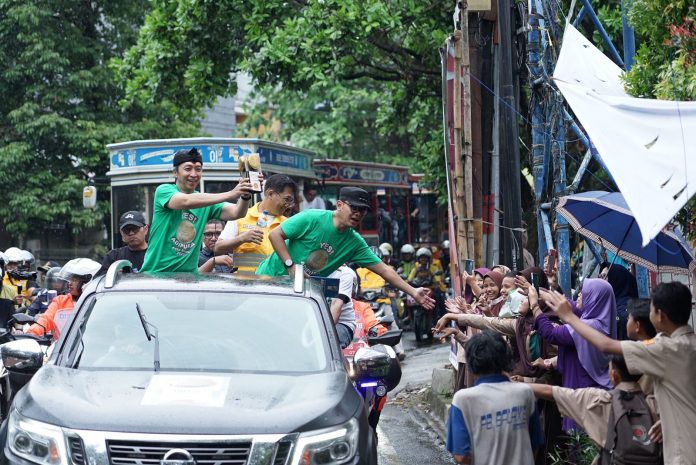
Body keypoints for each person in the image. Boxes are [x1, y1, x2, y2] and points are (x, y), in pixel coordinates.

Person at [542, 281, 696, 465]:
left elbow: (606, 345)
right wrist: (668, 419)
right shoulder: (689, 344)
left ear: (660, 315)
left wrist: (569, 317)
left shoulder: (666, 348)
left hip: (684, 453)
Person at [256, 187, 435, 310]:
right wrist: (291, 266)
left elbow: (385, 270)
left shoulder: (354, 243)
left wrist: (413, 291)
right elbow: (275, 235)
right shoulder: (311, 218)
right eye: (354, 207)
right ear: (339, 205)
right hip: (267, 279)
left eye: (363, 210)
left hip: (298, 293)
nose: (358, 213)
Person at [526, 355, 661, 465]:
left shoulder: (599, 400)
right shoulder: (657, 404)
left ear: (613, 375)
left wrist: (514, 385)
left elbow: (552, 392)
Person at [140, 148, 254, 273]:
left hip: (189, 280)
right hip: (156, 275)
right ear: (175, 172)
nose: (194, 174)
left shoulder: (205, 202)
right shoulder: (164, 190)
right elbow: (185, 201)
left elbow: (238, 212)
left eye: (198, 169)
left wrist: (245, 193)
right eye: (188, 169)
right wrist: (231, 194)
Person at [446, 331, 543, 465]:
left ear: (472, 362)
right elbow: (535, 443)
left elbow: (461, 456)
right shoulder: (525, 392)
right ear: (506, 358)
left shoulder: (462, 400)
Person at [532, 278, 617, 431]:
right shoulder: (600, 319)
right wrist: (541, 293)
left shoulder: (588, 326)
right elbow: (569, 306)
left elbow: (551, 333)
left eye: (583, 294)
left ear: (593, 299)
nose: (578, 296)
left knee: (581, 441)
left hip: (583, 387)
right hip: (594, 387)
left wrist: (534, 306)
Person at [216, 174, 298, 276]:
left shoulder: (288, 224)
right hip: (245, 287)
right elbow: (218, 248)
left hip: (276, 287)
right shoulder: (241, 216)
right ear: (270, 194)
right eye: (287, 199)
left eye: (290, 201)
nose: (288, 205)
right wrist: (241, 239)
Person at [26, 258, 101, 341]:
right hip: (60, 349)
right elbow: (45, 320)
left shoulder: (99, 303)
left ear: (87, 282)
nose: (70, 283)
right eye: (70, 279)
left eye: (75, 280)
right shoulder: (60, 301)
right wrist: (30, 334)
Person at [96, 211, 150, 276]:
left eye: (135, 229)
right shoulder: (113, 257)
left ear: (145, 229)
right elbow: (99, 280)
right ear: (121, 233)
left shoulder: (157, 255)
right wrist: (113, 275)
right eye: (126, 230)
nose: (131, 233)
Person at [603, 264, 639, 340]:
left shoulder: (623, 310)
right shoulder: (612, 303)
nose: (601, 280)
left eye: (604, 276)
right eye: (600, 276)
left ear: (616, 279)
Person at [327, 265, 358, 348]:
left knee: (327, 343)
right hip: (311, 321)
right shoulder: (305, 269)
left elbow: (336, 305)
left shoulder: (344, 273)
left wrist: (322, 332)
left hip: (339, 323)